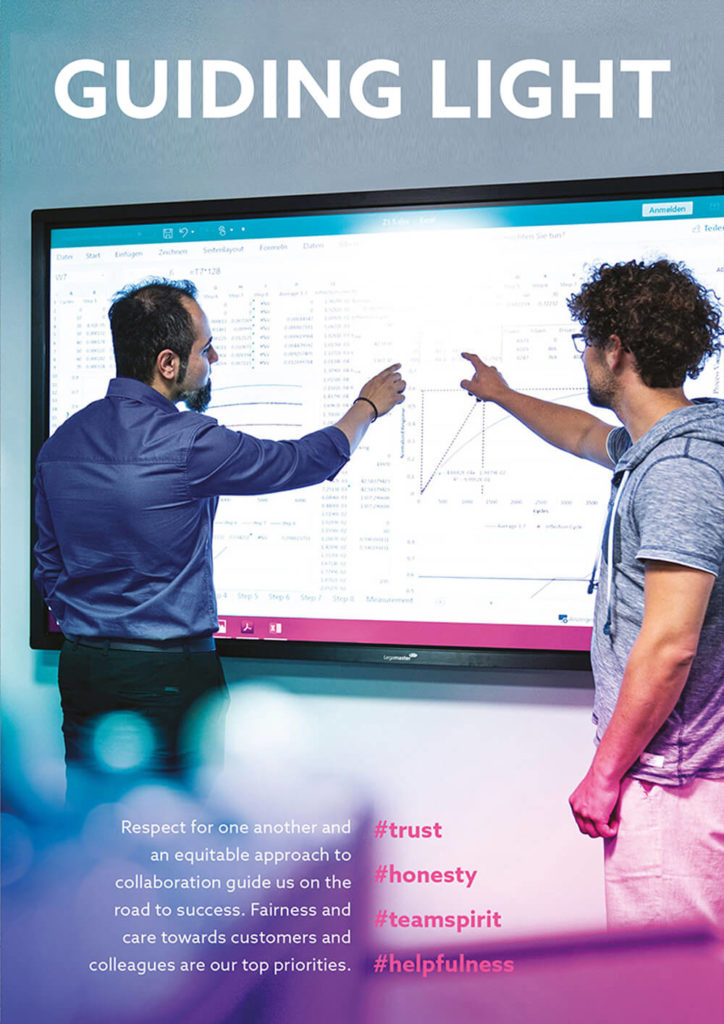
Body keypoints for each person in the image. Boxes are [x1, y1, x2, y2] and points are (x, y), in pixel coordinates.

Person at [34, 278, 406, 796]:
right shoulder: (189, 442)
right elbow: (302, 461)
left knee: (90, 822)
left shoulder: (60, 442)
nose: (215, 357)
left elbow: (48, 565)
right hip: (169, 674)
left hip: (84, 667)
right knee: (179, 834)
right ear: (168, 363)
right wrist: (366, 407)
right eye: (204, 348)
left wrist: (92, 620)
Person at [460, 259, 724, 929]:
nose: (583, 355)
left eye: (586, 341)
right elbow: (581, 434)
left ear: (616, 350)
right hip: (673, 777)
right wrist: (501, 393)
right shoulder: (661, 445)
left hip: (674, 788)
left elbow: (669, 646)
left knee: (665, 997)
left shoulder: (680, 471)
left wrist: (604, 774)